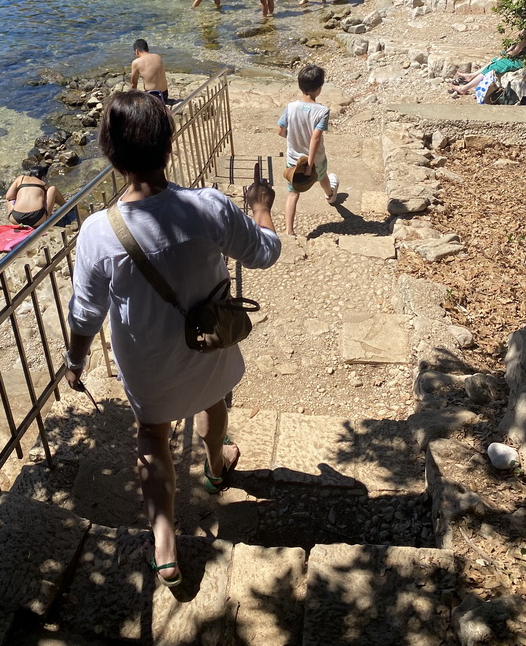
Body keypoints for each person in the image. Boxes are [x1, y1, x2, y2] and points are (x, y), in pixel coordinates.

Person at [64, 91, 280, 586]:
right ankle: (216, 466)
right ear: (169, 147)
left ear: (109, 155)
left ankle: (164, 543)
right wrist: (262, 208)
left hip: (148, 364)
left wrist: (75, 362)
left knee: (152, 436)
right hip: (209, 346)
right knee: (214, 400)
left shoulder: (99, 233)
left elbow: (86, 313)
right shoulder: (207, 207)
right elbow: (266, 252)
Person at [278, 64, 339, 236]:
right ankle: (330, 195)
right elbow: (316, 138)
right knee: (322, 177)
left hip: (294, 160)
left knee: (292, 193)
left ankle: (289, 231)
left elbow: (281, 131)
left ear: (300, 85)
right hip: (315, 160)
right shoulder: (322, 111)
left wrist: (293, 138)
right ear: (319, 89)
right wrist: (310, 165)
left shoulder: (290, 107)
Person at [449, 29, 526, 96]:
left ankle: (464, 88)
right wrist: (504, 54)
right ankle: (472, 75)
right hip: (519, 56)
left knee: (496, 65)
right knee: (495, 59)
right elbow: (513, 47)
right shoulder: (525, 29)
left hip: (523, 60)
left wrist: (505, 56)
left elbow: (516, 50)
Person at [131, 39, 169, 104]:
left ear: (137, 51)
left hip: (152, 97)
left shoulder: (136, 62)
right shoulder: (158, 57)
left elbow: (133, 84)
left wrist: (131, 98)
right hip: (164, 95)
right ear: (147, 49)